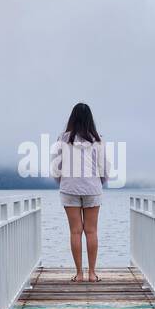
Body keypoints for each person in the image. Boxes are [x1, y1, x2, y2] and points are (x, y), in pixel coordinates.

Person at [51, 102, 107, 282]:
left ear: (72, 118)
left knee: (75, 232)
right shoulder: (98, 140)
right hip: (92, 189)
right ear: (90, 119)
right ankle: (92, 274)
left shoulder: (62, 139)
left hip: (69, 189)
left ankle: (79, 274)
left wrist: (63, 181)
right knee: (91, 231)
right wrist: (100, 183)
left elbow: (55, 168)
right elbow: (103, 168)